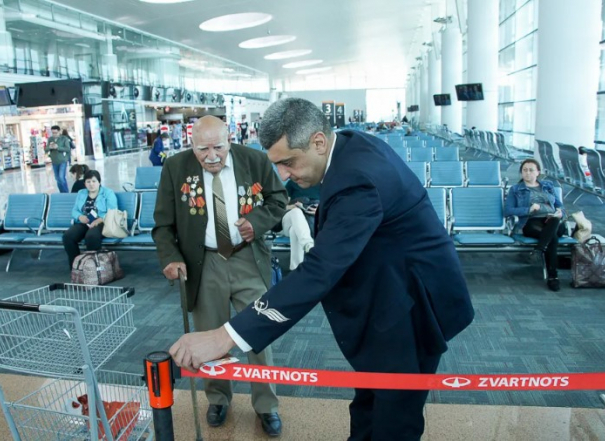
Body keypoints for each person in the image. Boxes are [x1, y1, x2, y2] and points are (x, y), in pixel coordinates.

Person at [168, 98, 474, 441]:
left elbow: (320, 270)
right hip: (386, 291)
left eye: (287, 163)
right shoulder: (347, 148)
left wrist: (223, 336)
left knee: (394, 417)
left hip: (411, 308)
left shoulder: (358, 178)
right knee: (368, 403)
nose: (282, 176)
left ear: (318, 142)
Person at [152, 115, 287, 436]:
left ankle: (266, 405)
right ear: (191, 144)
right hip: (203, 263)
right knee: (208, 336)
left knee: (259, 333)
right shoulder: (175, 168)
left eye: (218, 148)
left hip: (247, 260)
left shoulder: (254, 160)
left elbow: (278, 200)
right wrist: (170, 257)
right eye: (203, 149)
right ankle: (218, 397)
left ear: (230, 140)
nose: (212, 156)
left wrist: (257, 221)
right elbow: (162, 224)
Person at [504, 159, 566, 291]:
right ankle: (553, 277)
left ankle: (538, 250)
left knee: (554, 221)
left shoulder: (548, 186)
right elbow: (508, 210)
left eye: (531, 170)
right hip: (532, 223)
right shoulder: (516, 190)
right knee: (552, 238)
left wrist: (560, 212)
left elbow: (560, 206)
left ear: (538, 172)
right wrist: (529, 210)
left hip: (553, 221)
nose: (528, 173)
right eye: (524, 170)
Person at [62, 170, 117, 268]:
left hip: (102, 222)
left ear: (99, 182)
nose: (91, 184)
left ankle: (94, 267)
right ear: (84, 183)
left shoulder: (108, 193)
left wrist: (99, 220)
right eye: (88, 182)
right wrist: (80, 216)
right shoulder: (81, 193)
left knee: (91, 236)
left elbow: (112, 212)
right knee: (68, 236)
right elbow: (74, 210)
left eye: (94, 181)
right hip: (85, 222)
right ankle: (76, 266)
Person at [47, 125, 71, 193]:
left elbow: (67, 149)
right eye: (53, 133)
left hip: (62, 160)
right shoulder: (50, 139)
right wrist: (50, 147)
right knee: (57, 179)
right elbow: (46, 149)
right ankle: (62, 192)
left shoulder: (64, 139)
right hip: (54, 161)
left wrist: (58, 147)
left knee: (61, 177)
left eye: (55, 133)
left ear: (59, 131)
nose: (54, 134)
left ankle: (66, 192)